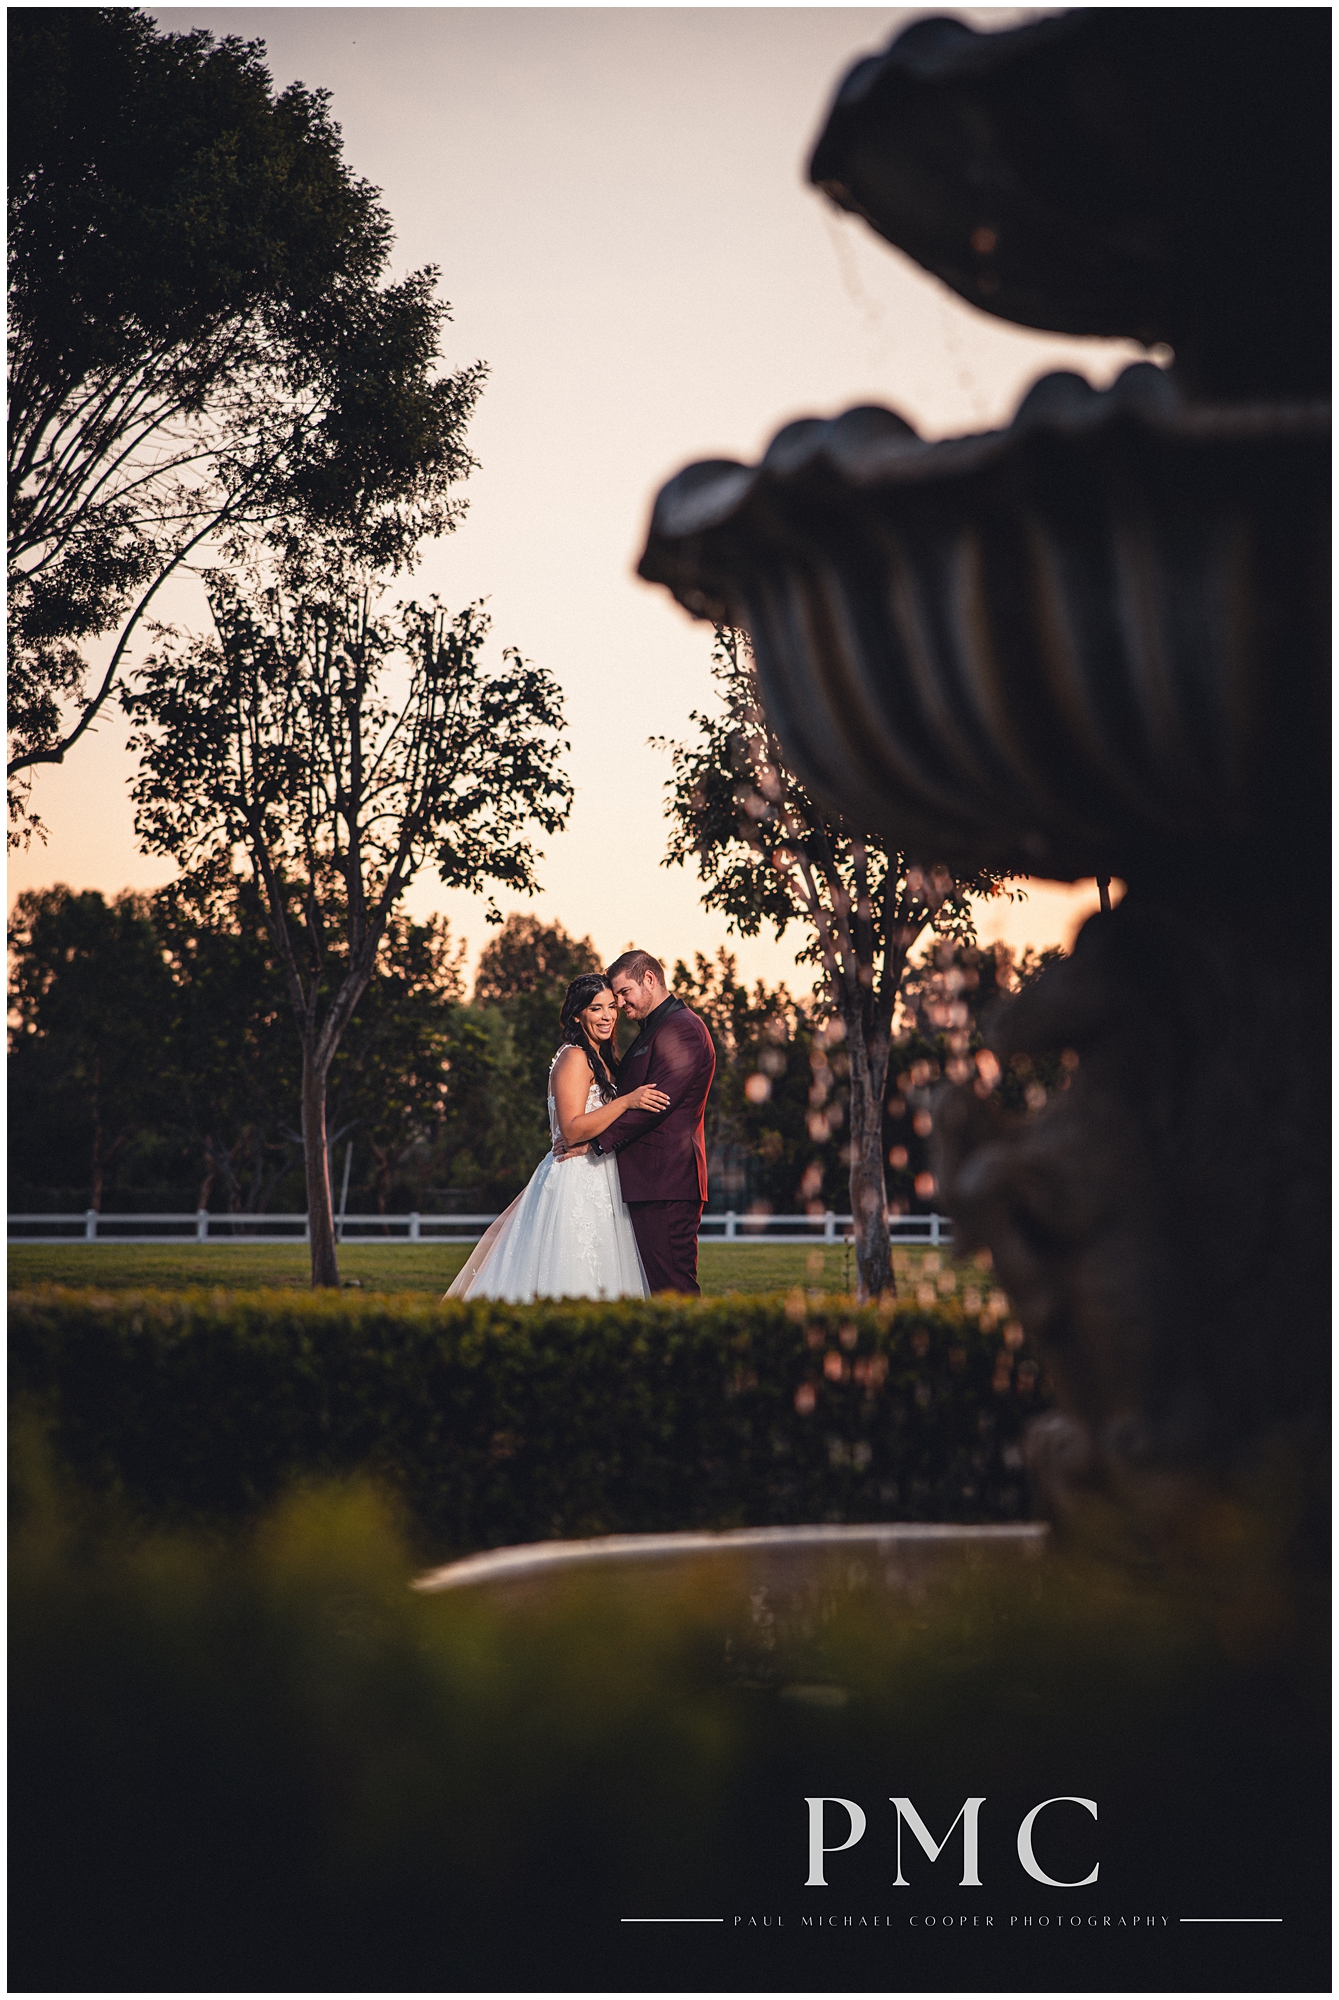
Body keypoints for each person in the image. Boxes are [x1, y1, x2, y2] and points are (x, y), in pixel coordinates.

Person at [445, 972, 667, 1301]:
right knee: (574, 1270)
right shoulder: (574, 1057)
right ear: (578, 1015)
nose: (607, 1016)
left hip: (602, 1174)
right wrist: (626, 1101)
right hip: (577, 1178)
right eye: (596, 1009)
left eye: (611, 1007)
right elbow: (572, 1129)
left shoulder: (603, 1059)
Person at [587, 948, 716, 1296]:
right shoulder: (655, 1029)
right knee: (656, 1290)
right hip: (649, 1183)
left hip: (667, 1182)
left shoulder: (684, 1029)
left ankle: (695, 1352)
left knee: (673, 1290)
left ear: (649, 978)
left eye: (624, 993)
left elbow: (656, 1103)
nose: (621, 1005)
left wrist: (596, 1143)